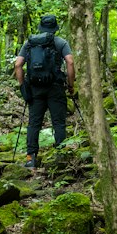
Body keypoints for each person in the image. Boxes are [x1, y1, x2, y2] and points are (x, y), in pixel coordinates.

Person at [13, 14, 76, 168]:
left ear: (40, 27)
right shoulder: (60, 42)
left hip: (35, 88)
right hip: (55, 87)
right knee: (59, 123)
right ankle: (62, 156)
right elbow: (70, 61)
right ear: (55, 28)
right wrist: (70, 84)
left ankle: (31, 159)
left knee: (34, 124)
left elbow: (17, 65)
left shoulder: (30, 43)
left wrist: (23, 86)